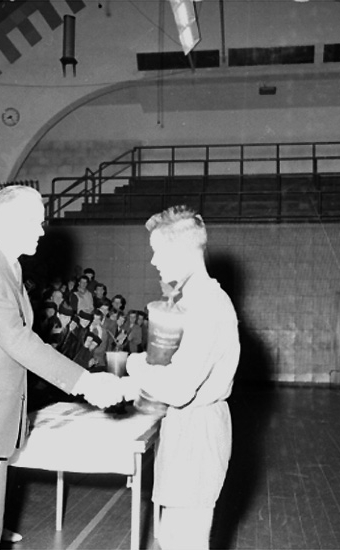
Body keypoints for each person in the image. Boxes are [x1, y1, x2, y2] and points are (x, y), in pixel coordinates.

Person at [0, 185, 123, 550]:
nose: (42, 231)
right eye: (37, 222)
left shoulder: (5, 267)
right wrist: (84, 381)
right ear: (12, 220)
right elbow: (16, 340)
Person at [122, 205, 240, 550]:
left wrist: (133, 365)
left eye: (157, 251)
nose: (154, 261)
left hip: (198, 432)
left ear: (182, 250)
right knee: (173, 538)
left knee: (186, 541)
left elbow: (177, 388)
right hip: (184, 427)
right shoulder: (191, 300)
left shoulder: (207, 304)